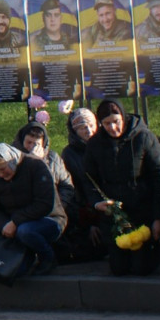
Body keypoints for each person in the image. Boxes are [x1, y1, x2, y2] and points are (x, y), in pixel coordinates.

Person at [84, 99, 160, 276]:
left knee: (141, 268)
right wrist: (96, 202)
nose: (113, 128)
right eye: (107, 123)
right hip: (115, 215)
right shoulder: (95, 144)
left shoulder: (144, 137)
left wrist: (159, 216)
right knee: (119, 269)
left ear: (123, 117)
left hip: (142, 210)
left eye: (116, 122)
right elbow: (89, 178)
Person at [0, 144, 66, 276]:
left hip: (48, 219)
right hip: (13, 225)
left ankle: (48, 257)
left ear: (12, 160)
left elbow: (44, 204)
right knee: (16, 271)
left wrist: (15, 222)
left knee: (25, 231)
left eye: (3, 169)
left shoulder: (35, 165)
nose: (1, 174)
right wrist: (4, 225)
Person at [59, 109, 106, 263]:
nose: (89, 130)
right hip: (87, 212)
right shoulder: (70, 154)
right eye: (82, 127)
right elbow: (75, 190)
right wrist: (90, 223)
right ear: (74, 131)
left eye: (92, 125)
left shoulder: (105, 145)